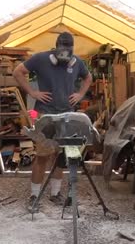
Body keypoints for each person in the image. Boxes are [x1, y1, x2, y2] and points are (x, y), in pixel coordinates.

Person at [13, 32, 92, 211]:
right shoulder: (40, 59)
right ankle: (34, 195)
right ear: (56, 49)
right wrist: (32, 92)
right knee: (42, 156)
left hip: (67, 117)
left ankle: (55, 194)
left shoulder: (77, 62)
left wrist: (80, 94)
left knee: (61, 157)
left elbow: (88, 78)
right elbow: (18, 72)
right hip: (46, 116)